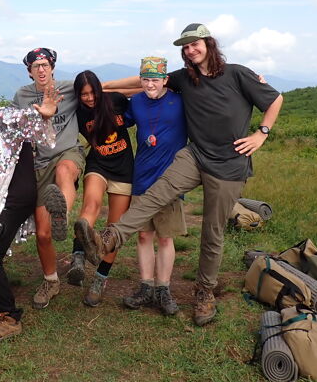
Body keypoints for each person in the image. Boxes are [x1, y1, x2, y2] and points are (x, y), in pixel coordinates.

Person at [76, 23, 283, 326]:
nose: (190, 50)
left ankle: (205, 293)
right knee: (156, 193)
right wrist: (101, 88)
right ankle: (109, 238)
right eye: (185, 47)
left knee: (212, 232)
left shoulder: (238, 73)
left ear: (209, 44)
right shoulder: (185, 78)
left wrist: (262, 133)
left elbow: (275, 99)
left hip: (229, 164)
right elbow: (143, 81)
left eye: (195, 44)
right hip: (195, 155)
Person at [0, 88, 59, 342]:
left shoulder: (6, 120)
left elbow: (25, 119)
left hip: (16, 197)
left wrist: (46, 115)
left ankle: (8, 318)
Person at [11, 48, 84, 309]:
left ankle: (61, 214)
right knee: (43, 235)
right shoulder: (22, 96)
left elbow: (100, 89)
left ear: (52, 66)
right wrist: (42, 114)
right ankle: (51, 281)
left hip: (68, 152)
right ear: (29, 71)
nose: (41, 70)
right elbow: (13, 126)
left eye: (45, 65)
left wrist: (149, 82)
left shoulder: (70, 88)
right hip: (40, 163)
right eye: (35, 66)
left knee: (65, 171)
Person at [120, 57, 187, 316]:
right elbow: (117, 121)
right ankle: (146, 286)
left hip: (171, 178)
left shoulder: (180, 102)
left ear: (165, 80)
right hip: (142, 176)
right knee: (144, 235)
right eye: (145, 79)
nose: (150, 84)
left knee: (165, 236)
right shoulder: (135, 102)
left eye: (155, 79)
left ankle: (164, 288)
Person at [67, 70, 133, 307]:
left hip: (124, 169)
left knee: (114, 229)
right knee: (91, 205)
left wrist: (107, 85)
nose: (89, 98)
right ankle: (77, 257)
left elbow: (139, 86)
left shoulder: (114, 100)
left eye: (92, 92)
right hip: (98, 164)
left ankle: (100, 279)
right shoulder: (77, 111)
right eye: (83, 94)